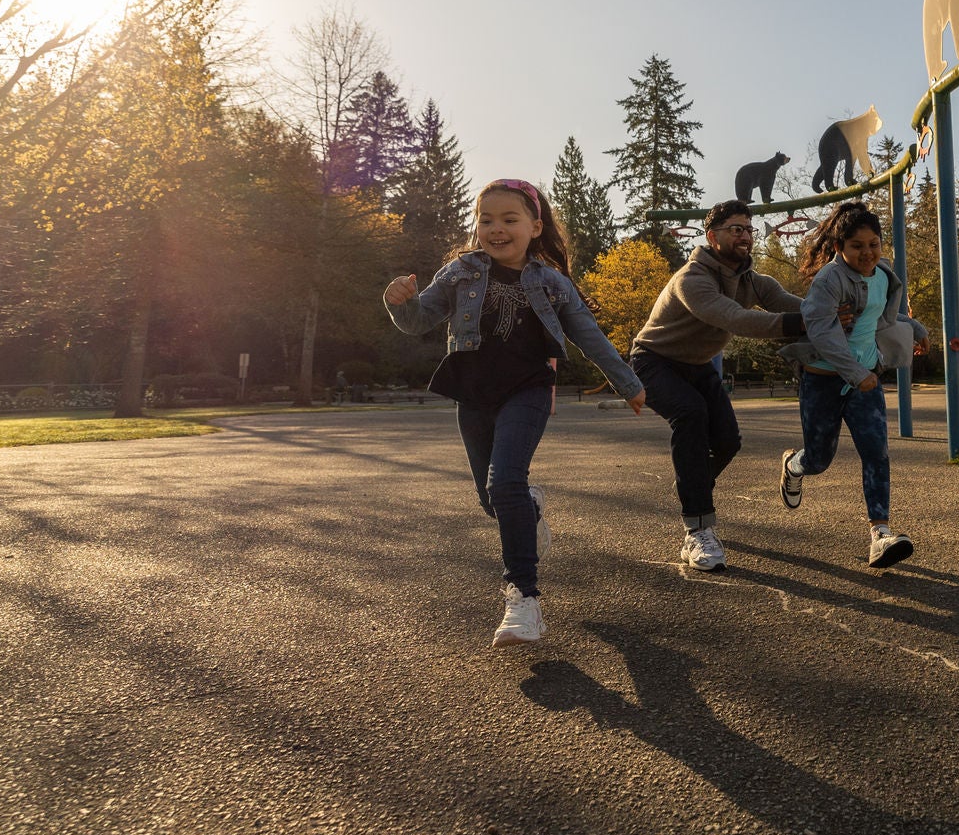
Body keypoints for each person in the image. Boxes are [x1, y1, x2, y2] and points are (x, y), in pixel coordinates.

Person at [384, 178, 644, 647]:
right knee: (494, 501)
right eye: (486, 220)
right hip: (473, 391)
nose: (495, 229)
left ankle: (523, 599)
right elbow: (420, 319)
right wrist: (397, 302)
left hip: (527, 389)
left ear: (535, 226)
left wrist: (629, 384)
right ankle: (530, 505)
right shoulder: (460, 272)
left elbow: (590, 337)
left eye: (509, 219)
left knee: (504, 483)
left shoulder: (552, 281)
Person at [630, 199, 808, 571]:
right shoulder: (692, 278)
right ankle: (697, 529)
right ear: (712, 236)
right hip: (654, 361)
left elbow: (796, 305)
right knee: (690, 414)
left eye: (748, 229)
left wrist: (843, 313)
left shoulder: (754, 281)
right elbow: (736, 319)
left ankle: (691, 485)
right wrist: (800, 324)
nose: (744, 236)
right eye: (735, 229)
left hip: (696, 365)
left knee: (728, 440)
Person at [778, 201, 926, 569]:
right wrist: (856, 374)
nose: (867, 253)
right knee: (819, 459)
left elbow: (880, 315)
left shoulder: (883, 274)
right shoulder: (828, 281)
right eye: (858, 246)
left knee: (876, 452)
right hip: (824, 382)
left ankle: (880, 532)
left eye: (873, 243)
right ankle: (794, 467)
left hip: (866, 383)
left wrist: (915, 328)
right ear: (839, 247)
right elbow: (824, 334)